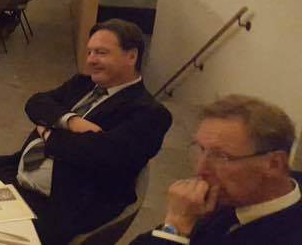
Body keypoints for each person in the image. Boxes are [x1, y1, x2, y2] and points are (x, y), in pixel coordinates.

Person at [0, 19, 173, 244]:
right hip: (16, 176)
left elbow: (99, 153)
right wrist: (72, 122)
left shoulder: (150, 113)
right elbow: (36, 103)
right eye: (90, 52)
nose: (91, 60)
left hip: (61, 205)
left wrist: (48, 132)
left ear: (131, 56)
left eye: (101, 52)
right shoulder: (83, 84)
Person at [129, 95, 301, 245]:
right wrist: (174, 227)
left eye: (221, 157)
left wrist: (176, 225)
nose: (200, 169)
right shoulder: (231, 197)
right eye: (201, 149)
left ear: (274, 164)